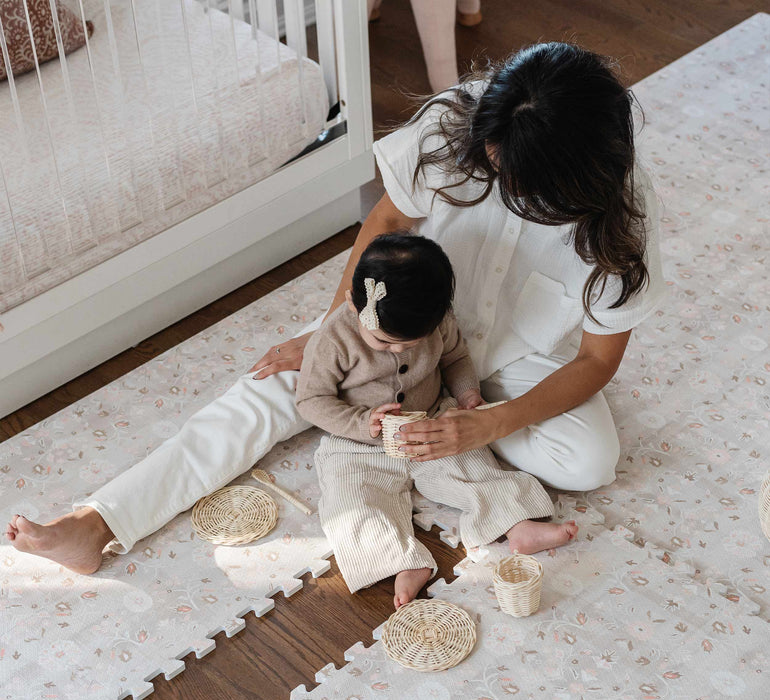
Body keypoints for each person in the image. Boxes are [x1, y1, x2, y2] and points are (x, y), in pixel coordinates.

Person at [5, 42, 665, 575]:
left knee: (590, 463)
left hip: (509, 359)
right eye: (492, 168)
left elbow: (597, 356)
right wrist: (333, 331)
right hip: (402, 324)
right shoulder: (455, 127)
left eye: (520, 187)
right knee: (275, 389)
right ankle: (99, 523)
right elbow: (386, 220)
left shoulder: (621, 221)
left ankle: (434, 448)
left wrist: (487, 426)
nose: (498, 184)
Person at [296, 232, 572, 607]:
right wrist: (361, 423)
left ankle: (518, 523)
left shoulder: (439, 322)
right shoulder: (334, 338)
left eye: (407, 345)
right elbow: (311, 400)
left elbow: (455, 359)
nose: (396, 350)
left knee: (475, 465)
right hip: (357, 441)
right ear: (351, 302)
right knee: (350, 503)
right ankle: (400, 562)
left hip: (431, 422)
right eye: (384, 343)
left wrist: (467, 394)